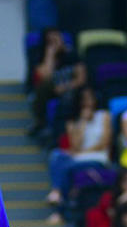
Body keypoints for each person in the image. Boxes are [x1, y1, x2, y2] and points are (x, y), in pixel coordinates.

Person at [46, 86, 111, 219]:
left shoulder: (104, 116)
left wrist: (82, 152)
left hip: (97, 158)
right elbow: (75, 145)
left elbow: (104, 143)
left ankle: (58, 200)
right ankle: (58, 197)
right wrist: (83, 122)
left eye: (90, 99)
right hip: (78, 158)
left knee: (64, 167)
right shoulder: (73, 122)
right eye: (84, 99)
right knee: (56, 155)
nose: (88, 103)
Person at [30, 27, 87, 135]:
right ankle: (42, 124)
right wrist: (50, 54)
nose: (55, 43)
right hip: (52, 89)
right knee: (42, 88)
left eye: (56, 39)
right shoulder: (41, 56)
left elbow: (81, 79)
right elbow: (46, 77)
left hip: (71, 87)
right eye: (51, 41)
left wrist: (64, 87)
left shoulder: (72, 54)